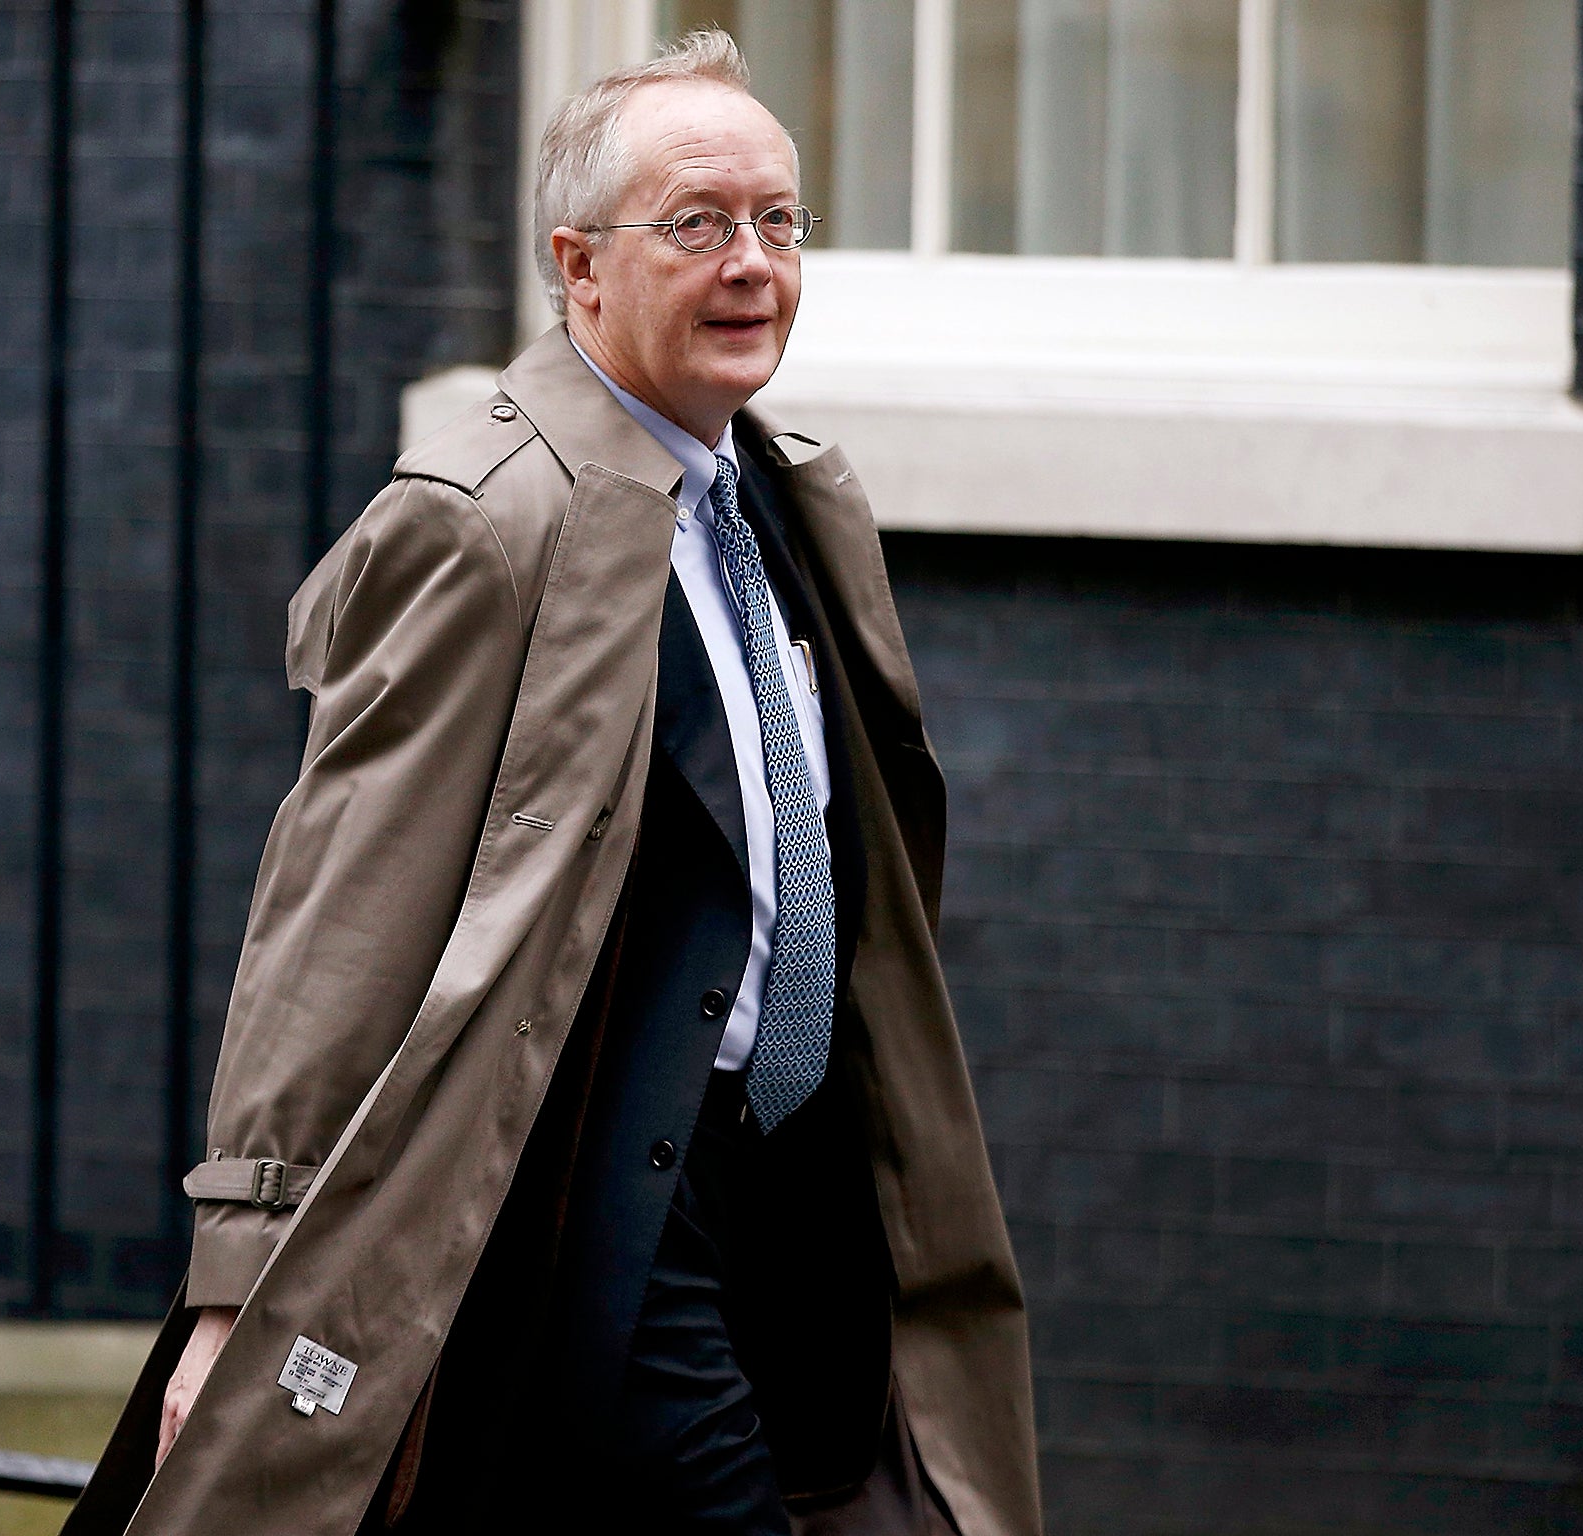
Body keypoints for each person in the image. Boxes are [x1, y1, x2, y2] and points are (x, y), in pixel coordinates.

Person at [66, 31, 1038, 1536]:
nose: (754, 265)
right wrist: (236, 1287)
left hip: (799, 1198)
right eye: (699, 224)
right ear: (581, 267)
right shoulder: (485, 520)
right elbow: (336, 925)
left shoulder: (780, 494)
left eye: (780, 222)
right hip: (610, 1210)